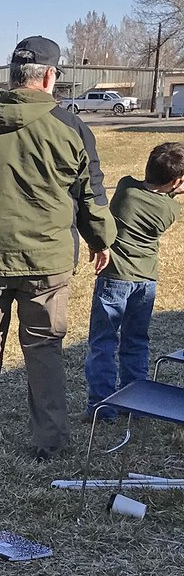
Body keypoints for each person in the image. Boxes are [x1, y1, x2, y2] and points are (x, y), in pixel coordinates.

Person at [0, 36, 117, 461]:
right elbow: (91, 194)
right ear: (50, 76)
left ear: (11, 77)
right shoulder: (70, 128)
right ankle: (50, 440)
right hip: (46, 264)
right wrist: (101, 240)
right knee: (45, 349)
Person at [85, 141, 184, 415]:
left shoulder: (126, 188)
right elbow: (165, 197)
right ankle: (135, 402)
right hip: (146, 281)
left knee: (103, 342)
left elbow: (145, 187)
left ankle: (101, 408)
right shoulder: (169, 210)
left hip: (114, 277)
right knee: (136, 341)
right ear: (175, 182)